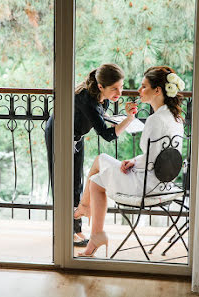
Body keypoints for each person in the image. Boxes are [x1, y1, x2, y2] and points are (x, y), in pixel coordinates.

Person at [74, 66, 185, 257]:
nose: (138, 91)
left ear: (157, 90)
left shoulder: (155, 120)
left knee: (98, 171)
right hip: (165, 183)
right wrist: (133, 161)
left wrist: (135, 163)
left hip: (146, 185)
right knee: (98, 173)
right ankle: (94, 231)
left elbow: (150, 159)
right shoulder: (174, 117)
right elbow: (157, 156)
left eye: (143, 87)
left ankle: (88, 217)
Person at [45, 63, 137, 247]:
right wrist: (129, 119)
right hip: (59, 135)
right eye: (115, 89)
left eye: (121, 87)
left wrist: (116, 120)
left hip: (76, 136)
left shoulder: (103, 98)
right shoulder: (87, 99)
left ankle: (76, 229)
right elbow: (108, 135)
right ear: (101, 86)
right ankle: (64, 231)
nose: (119, 92)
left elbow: (100, 119)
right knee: (63, 183)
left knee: (77, 183)